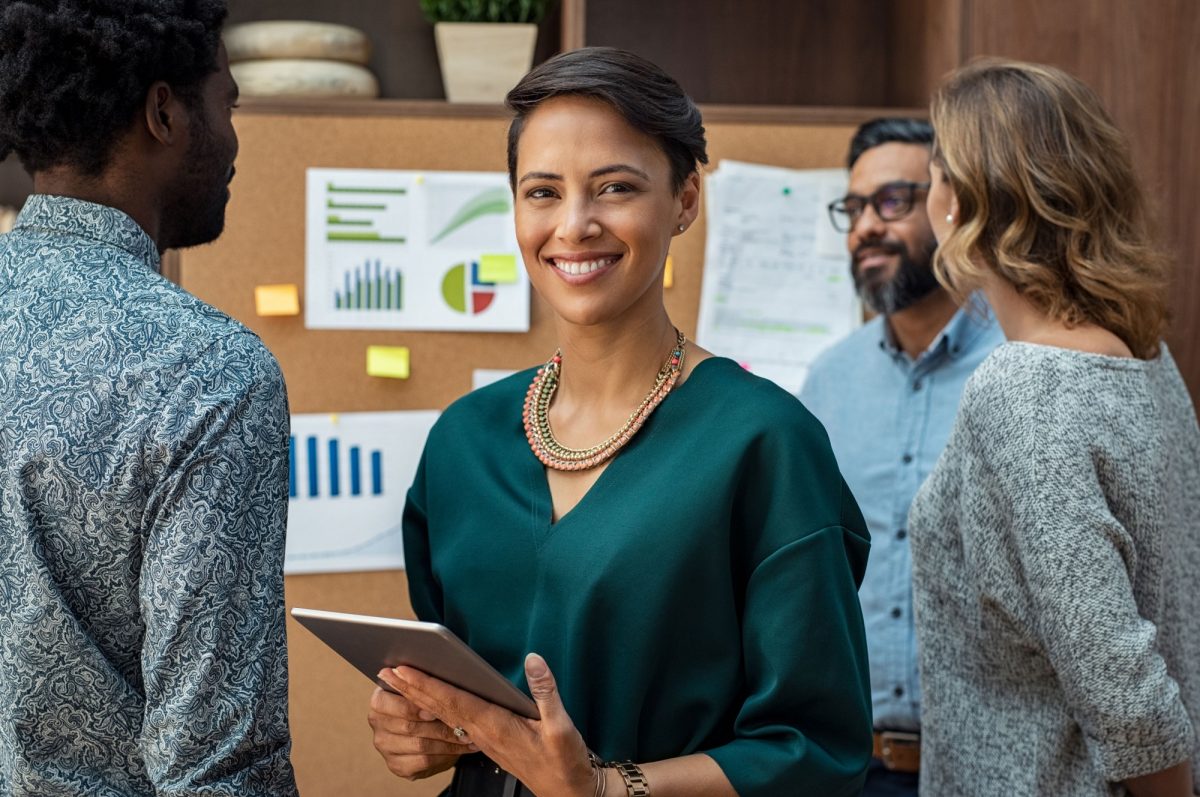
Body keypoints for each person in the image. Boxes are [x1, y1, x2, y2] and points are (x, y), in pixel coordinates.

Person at [367, 47, 873, 797]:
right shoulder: (462, 444)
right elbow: (466, 690)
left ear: (685, 200)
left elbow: (815, 751)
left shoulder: (765, 442)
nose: (574, 226)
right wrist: (423, 726)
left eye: (615, 188)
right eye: (542, 192)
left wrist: (607, 788)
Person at [0, 2, 297, 794]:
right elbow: (218, 763)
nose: (233, 139)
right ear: (164, 112)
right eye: (227, 104)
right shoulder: (208, 371)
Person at [911, 58, 1200, 797]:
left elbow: (1124, 686)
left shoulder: (1024, 387)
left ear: (963, 200)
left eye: (935, 170)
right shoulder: (1147, 360)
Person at [800, 118, 1004, 795]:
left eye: (892, 201)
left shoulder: (1021, 366)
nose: (865, 227)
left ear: (953, 208)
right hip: (851, 767)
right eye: (854, 208)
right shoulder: (829, 380)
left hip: (989, 766)